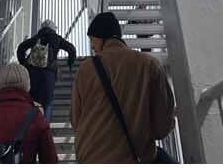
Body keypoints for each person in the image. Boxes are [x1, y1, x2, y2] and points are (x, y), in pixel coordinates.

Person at [69, 11, 175, 163]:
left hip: (90, 159)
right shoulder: (149, 65)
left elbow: (75, 120)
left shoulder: (85, 69)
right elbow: (162, 127)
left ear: (101, 37)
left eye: (92, 39)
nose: (92, 46)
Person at [16, 19, 76, 123]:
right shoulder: (57, 39)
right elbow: (71, 49)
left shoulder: (36, 38)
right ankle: (44, 129)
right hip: (48, 73)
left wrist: (23, 64)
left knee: (31, 100)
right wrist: (70, 62)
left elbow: (21, 47)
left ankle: (29, 127)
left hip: (32, 72)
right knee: (47, 103)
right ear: (53, 29)